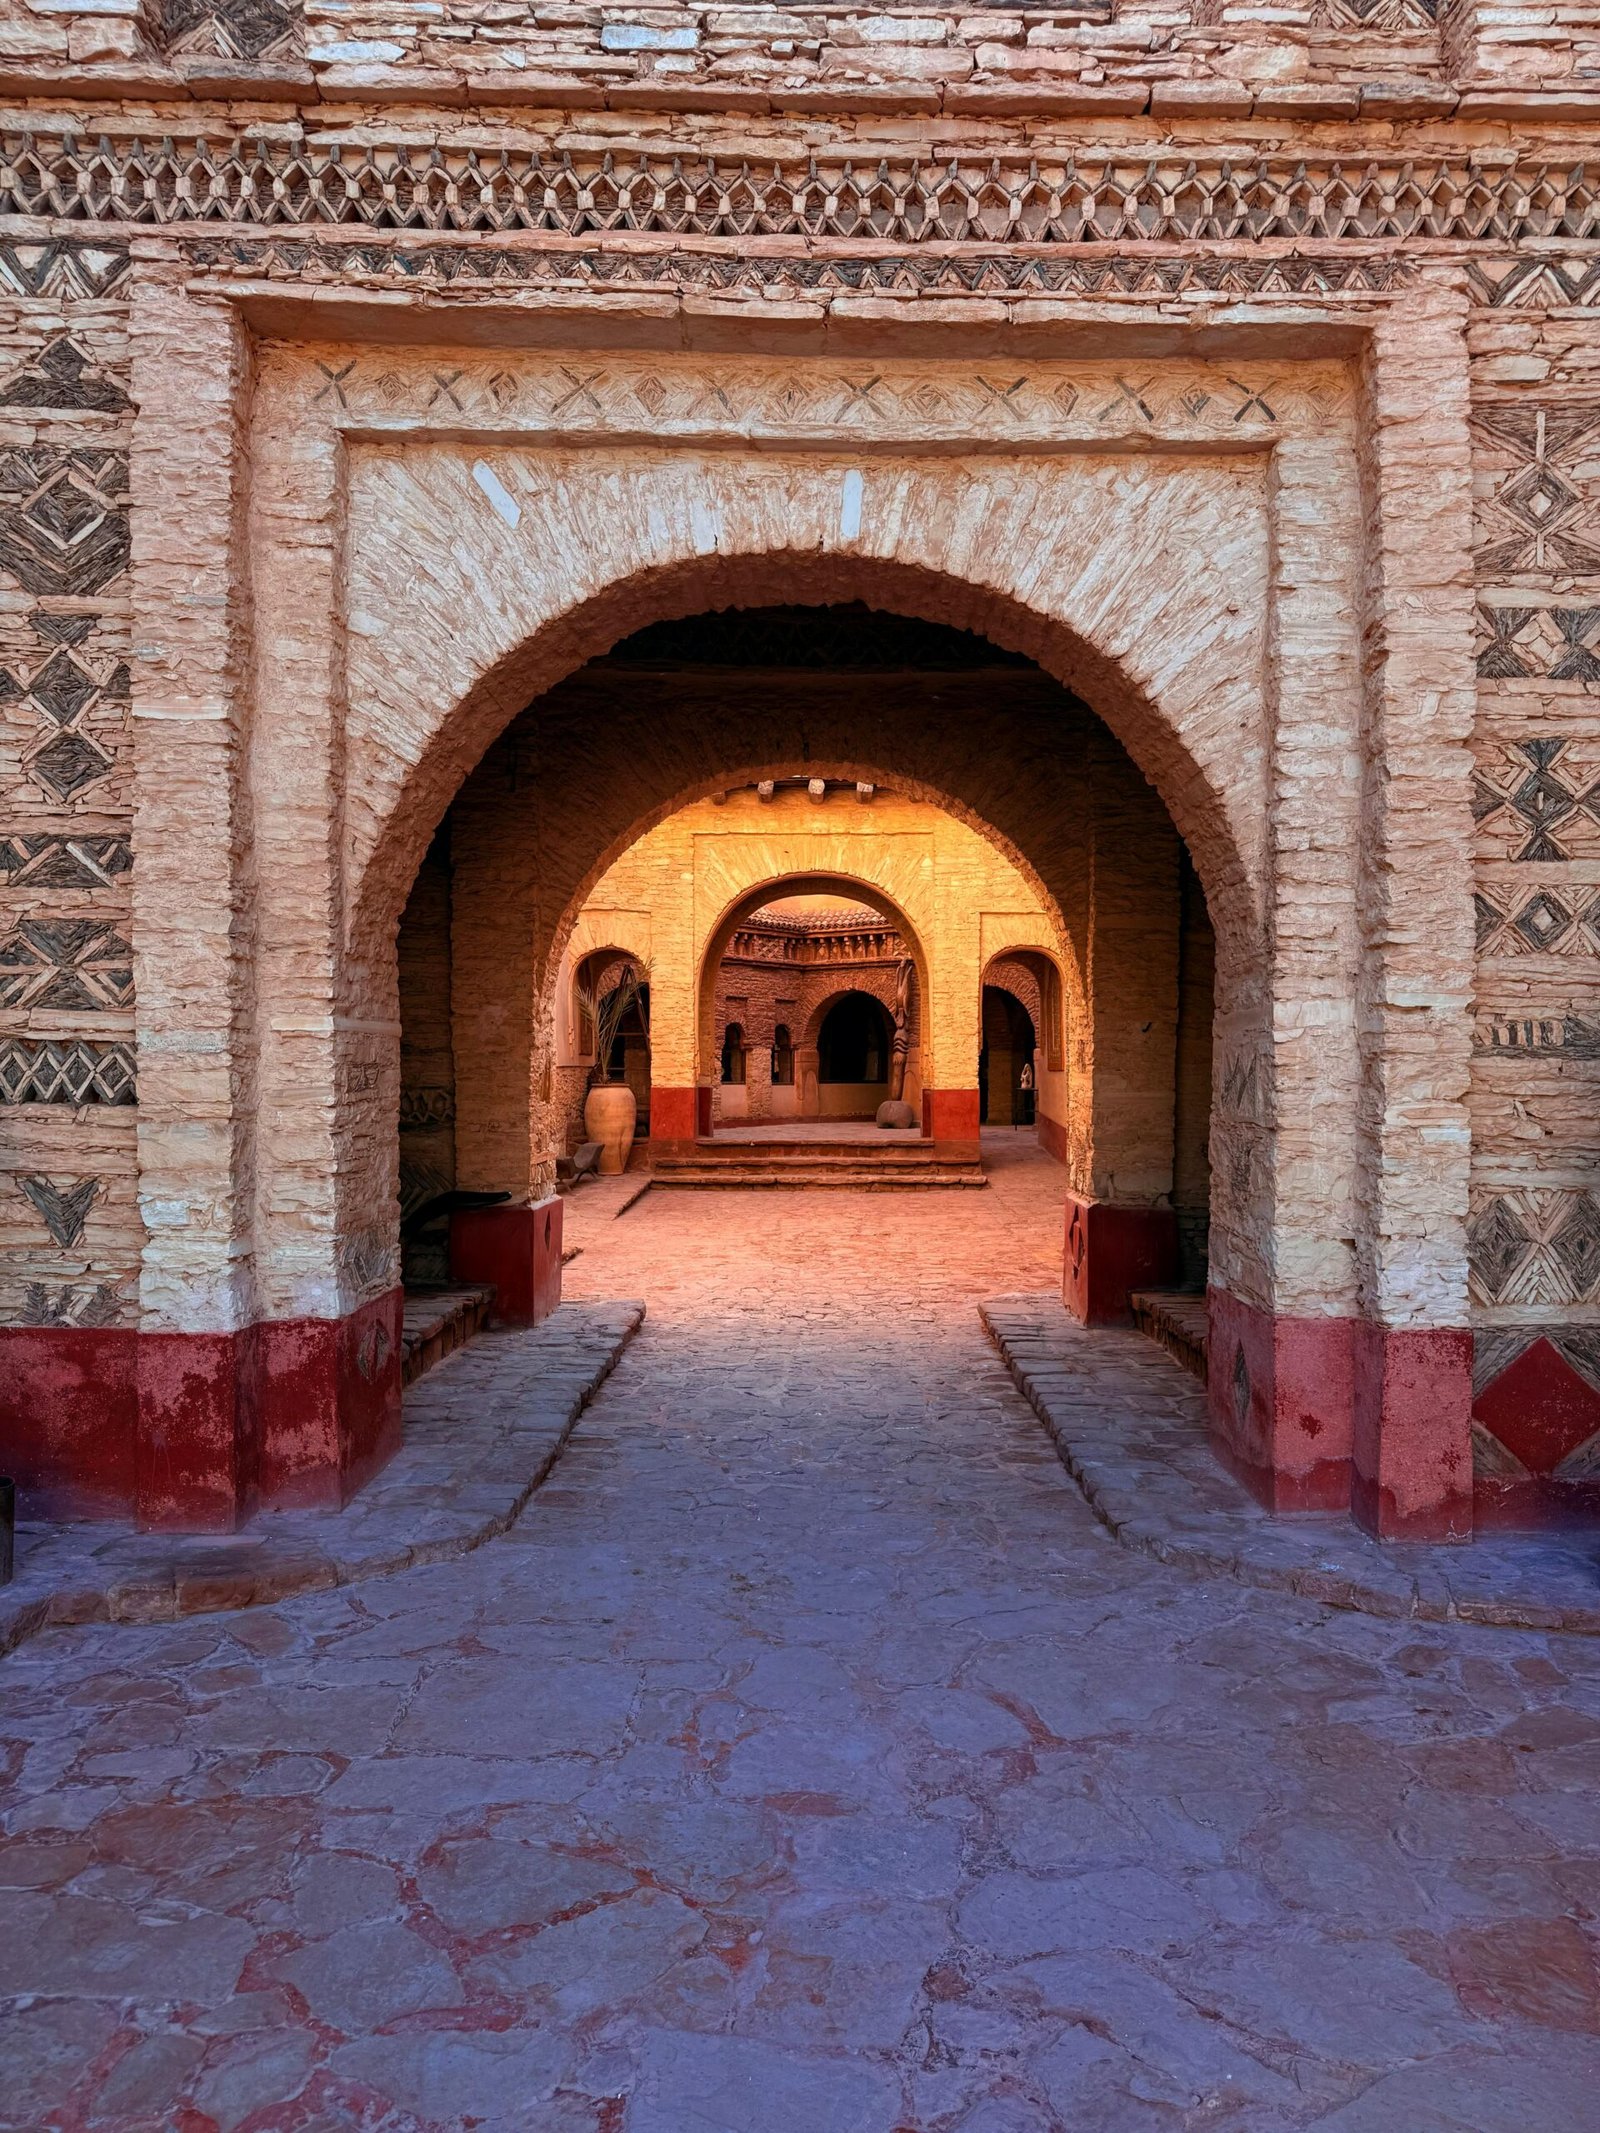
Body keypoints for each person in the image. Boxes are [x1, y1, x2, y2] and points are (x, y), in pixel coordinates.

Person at [1018, 1056, 1036, 1129]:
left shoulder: (1029, 1073)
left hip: (1027, 1085)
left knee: (1029, 1101)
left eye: (1027, 1067)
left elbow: (1025, 1078)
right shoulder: (1026, 1072)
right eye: (1026, 1068)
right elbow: (1022, 1076)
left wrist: (1024, 1078)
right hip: (1024, 1085)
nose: (1027, 1069)